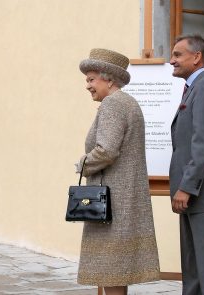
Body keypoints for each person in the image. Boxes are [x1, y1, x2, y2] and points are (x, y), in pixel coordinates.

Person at [74, 48, 160, 295]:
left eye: (91, 79)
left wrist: (82, 163)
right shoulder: (128, 103)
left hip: (111, 203)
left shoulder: (113, 104)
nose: (87, 85)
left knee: (111, 272)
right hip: (122, 199)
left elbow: (106, 151)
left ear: (109, 79)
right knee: (115, 272)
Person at [169, 34, 204, 295]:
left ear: (196, 57)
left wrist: (186, 187)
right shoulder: (193, 88)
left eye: (177, 55)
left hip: (202, 197)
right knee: (193, 269)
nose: (172, 60)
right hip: (192, 198)